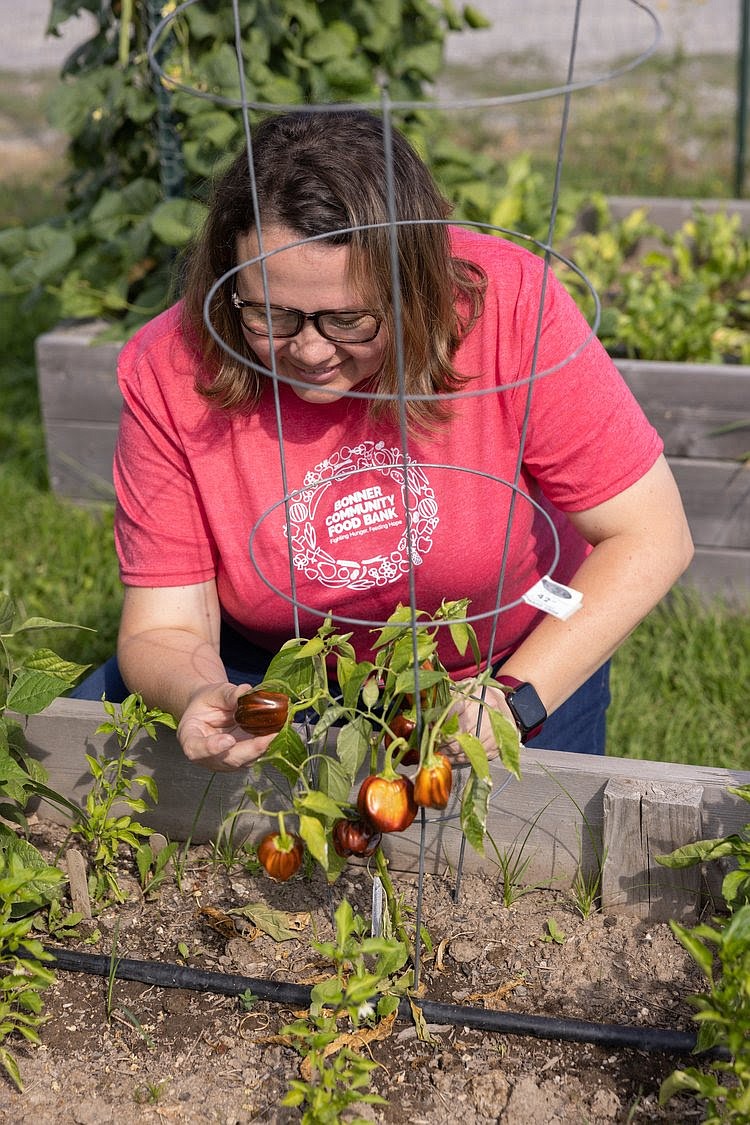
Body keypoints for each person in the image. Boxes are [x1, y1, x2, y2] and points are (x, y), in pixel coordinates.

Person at [70, 109, 694, 770]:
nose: (308, 349)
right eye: (271, 314)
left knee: (525, 862)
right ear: (229, 286)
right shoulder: (172, 366)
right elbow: (165, 626)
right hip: (283, 673)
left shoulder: (511, 307)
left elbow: (651, 535)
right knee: (82, 765)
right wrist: (199, 691)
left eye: (347, 318)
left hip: (515, 663)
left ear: (413, 286)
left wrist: (508, 701)